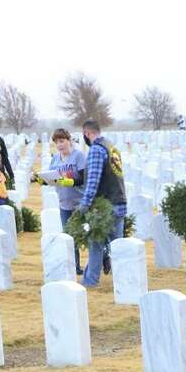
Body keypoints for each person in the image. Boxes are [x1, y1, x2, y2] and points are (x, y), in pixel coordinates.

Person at [75, 118, 127, 288]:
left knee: (95, 243)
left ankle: (90, 281)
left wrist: (84, 204)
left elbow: (93, 181)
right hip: (119, 201)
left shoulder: (97, 150)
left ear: (87, 133)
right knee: (117, 246)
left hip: (106, 205)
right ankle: (124, 280)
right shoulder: (111, 147)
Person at [36, 129, 87, 274]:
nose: (59, 145)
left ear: (69, 140)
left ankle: (102, 257)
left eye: (62, 141)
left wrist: (69, 181)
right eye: (57, 142)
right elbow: (52, 179)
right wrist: (40, 179)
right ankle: (75, 266)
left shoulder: (78, 156)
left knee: (85, 234)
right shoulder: (55, 159)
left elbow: (83, 178)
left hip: (80, 203)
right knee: (69, 236)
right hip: (64, 204)